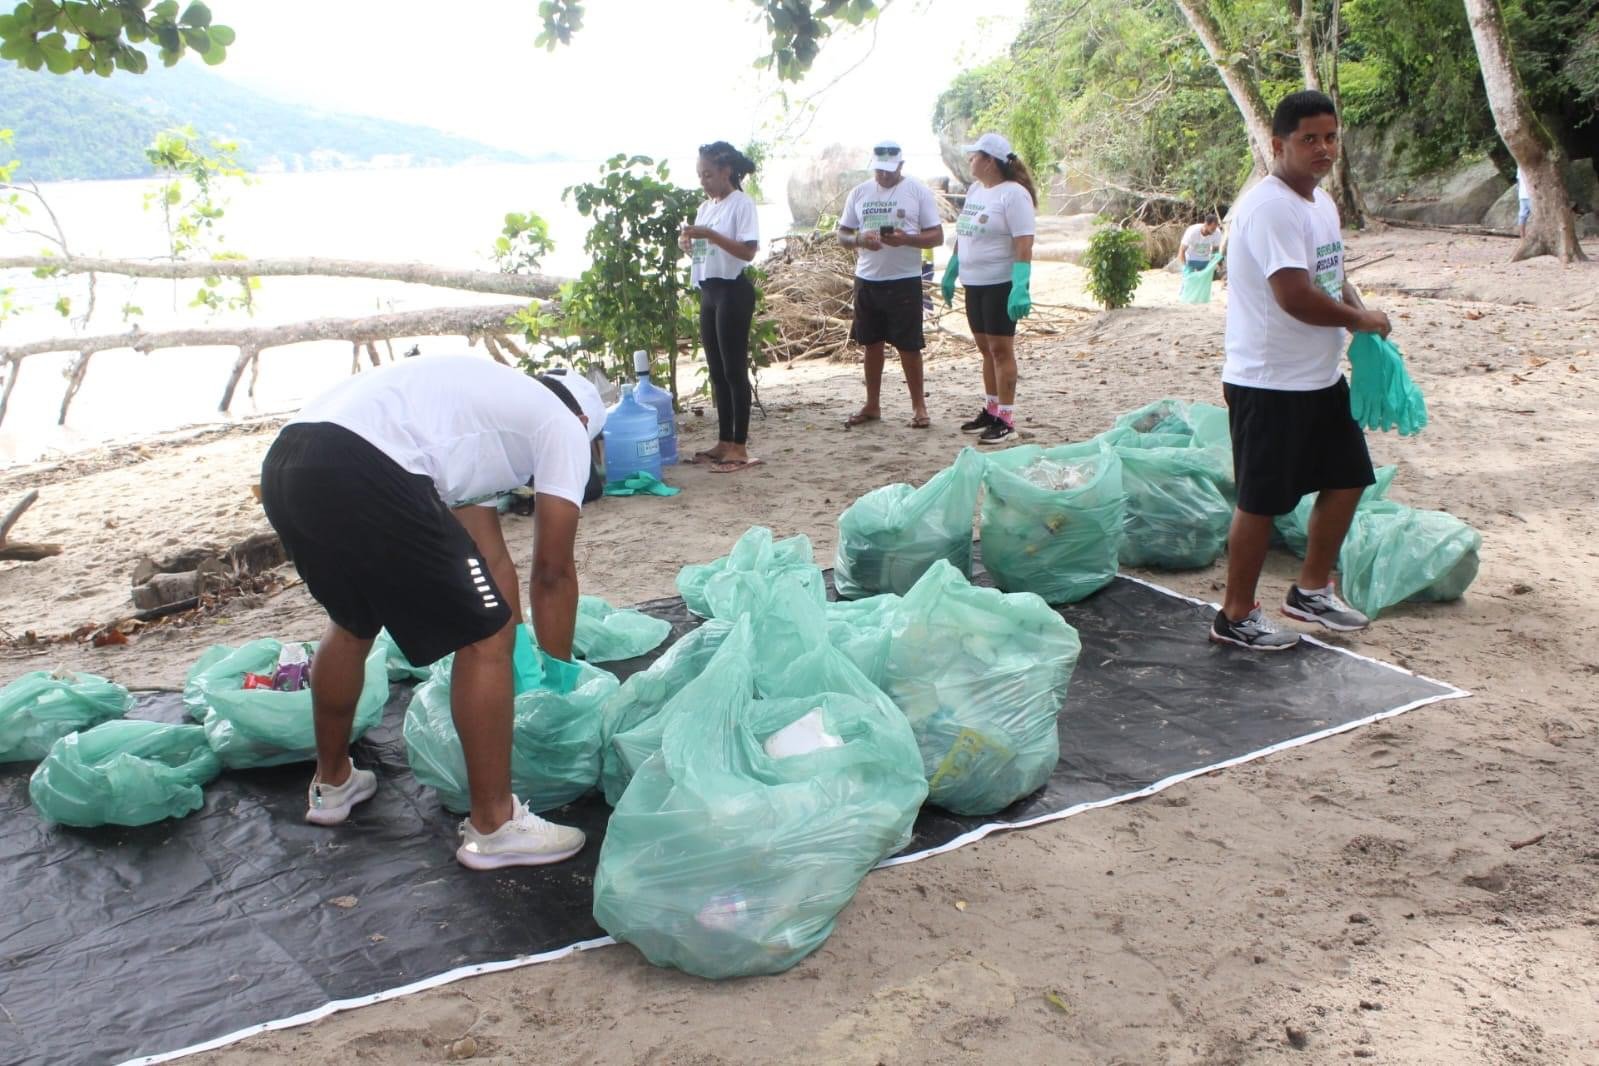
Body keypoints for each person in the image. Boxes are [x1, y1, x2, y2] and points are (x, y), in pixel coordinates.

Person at [257, 355, 608, 868]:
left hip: (292, 461)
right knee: (484, 638)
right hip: (364, 464)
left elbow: (488, 559)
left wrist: (515, 644)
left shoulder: (485, 408)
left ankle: (332, 783)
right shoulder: (562, 426)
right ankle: (494, 824)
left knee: (354, 621)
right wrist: (557, 676)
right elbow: (552, 572)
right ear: (584, 424)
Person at [1211, 90, 1393, 651]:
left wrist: (1360, 319)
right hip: (1268, 383)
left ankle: (1310, 590)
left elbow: (1330, 276)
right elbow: (1293, 296)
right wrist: (1360, 320)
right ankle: (1235, 615)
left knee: (1349, 477)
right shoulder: (1269, 208)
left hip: (1317, 379)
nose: (1323, 149)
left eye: (1330, 137)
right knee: (1261, 503)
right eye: (1309, 139)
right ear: (1278, 144)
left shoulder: (1320, 203)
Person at [837, 140, 946, 429]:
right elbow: (843, 234)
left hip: (904, 279)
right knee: (870, 344)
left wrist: (907, 239)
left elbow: (937, 236)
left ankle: (919, 406)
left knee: (909, 346)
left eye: (889, 170)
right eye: (878, 171)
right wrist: (860, 240)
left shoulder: (917, 191)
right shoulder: (859, 192)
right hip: (868, 279)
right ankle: (872, 404)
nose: (883, 176)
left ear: (901, 165)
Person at [941, 132, 1036, 445]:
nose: (970, 160)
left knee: (1000, 350)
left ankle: (1007, 419)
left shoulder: (1013, 194)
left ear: (991, 161)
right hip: (974, 282)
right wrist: (952, 270)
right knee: (984, 348)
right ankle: (992, 410)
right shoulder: (976, 190)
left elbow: (1023, 241)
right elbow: (964, 233)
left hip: (999, 282)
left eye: (975, 155)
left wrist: (1020, 285)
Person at [681, 140, 762, 473]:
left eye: (709, 174)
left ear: (726, 170)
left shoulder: (741, 204)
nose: (704, 181)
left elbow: (747, 251)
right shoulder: (705, 207)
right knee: (716, 371)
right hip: (709, 290)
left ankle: (740, 446)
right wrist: (688, 242)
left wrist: (710, 235)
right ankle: (724, 440)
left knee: (733, 370)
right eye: (700, 175)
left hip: (733, 291)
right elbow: (703, 252)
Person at [1516, 164, 1532, 239]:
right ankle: (1523, 236)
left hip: (1522, 195)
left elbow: (1518, 182)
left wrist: (1519, 192)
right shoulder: (1530, 165)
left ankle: (1522, 236)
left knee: (1522, 216)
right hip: (1530, 195)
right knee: (1537, 215)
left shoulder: (1520, 166)